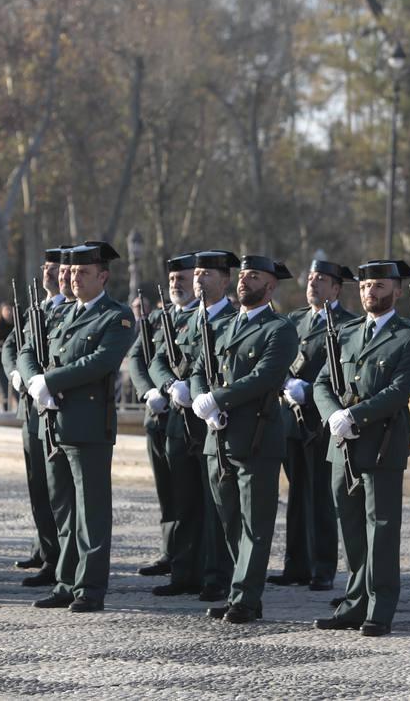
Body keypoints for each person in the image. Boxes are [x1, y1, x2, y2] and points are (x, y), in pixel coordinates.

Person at [17, 241, 136, 613]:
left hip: (87, 426)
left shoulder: (116, 317)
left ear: (102, 276)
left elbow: (100, 362)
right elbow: (25, 350)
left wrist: (50, 382)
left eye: (83, 272)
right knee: (64, 511)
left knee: (91, 511)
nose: (73, 278)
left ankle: (90, 586)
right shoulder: (63, 313)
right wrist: (33, 377)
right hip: (54, 424)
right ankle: (66, 581)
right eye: (70, 272)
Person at [313, 259, 410, 637]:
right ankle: (354, 602)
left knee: (381, 529)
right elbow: (322, 382)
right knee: (352, 529)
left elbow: (398, 391)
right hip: (341, 445)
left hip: (381, 445)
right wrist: (332, 415)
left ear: (395, 291)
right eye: (364, 287)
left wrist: (355, 414)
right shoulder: (344, 333)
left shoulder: (409, 337)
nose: (369, 293)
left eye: (378, 286)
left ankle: (380, 607)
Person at [191, 255, 296, 624]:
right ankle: (242, 590)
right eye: (242, 276)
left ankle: (247, 599)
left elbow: (265, 377)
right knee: (230, 521)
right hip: (217, 439)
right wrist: (202, 399)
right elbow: (199, 368)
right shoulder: (220, 326)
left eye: (253, 277)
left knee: (255, 523)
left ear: (269, 287)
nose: (243, 282)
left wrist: (219, 399)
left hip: (255, 438)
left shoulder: (280, 329)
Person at [148, 250, 238, 601]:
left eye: (207, 274)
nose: (199, 279)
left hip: (213, 424)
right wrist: (172, 385)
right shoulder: (183, 319)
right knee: (184, 500)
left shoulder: (232, 320)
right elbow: (158, 361)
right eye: (197, 273)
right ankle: (184, 572)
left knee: (215, 504)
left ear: (225, 280)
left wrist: (206, 395)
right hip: (178, 422)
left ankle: (216, 575)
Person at [274, 259, 360, 592]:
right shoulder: (293, 320)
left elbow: (346, 373)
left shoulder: (348, 325)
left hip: (323, 420)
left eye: (322, 279)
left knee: (321, 494)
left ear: (336, 288)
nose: (313, 284)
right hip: (291, 419)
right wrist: (285, 384)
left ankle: (323, 566)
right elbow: (276, 357)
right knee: (296, 494)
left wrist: (310, 391)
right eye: (310, 278)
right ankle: (295, 564)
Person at [1, 245, 71, 585]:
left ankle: (59, 557)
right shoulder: (34, 310)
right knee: (36, 484)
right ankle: (45, 548)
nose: (48, 270)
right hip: (29, 408)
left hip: (53, 406)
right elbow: (12, 347)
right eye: (44, 265)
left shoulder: (70, 309)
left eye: (54, 266)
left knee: (57, 487)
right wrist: (16, 372)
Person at [127, 255, 197, 581]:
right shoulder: (157, 318)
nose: (175, 284)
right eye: (171, 279)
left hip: (185, 418)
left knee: (188, 494)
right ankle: (170, 552)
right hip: (156, 415)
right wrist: (147, 392)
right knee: (166, 490)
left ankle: (189, 559)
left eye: (181, 278)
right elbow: (138, 358)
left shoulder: (202, 318)